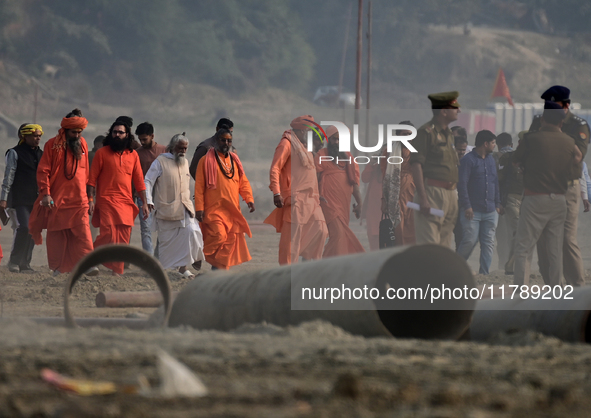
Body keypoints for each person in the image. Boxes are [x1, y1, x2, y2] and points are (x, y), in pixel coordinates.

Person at [513, 101, 582, 286]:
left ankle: (521, 290)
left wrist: (523, 166)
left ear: (542, 119)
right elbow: (577, 157)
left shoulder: (531, 139)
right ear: (561, 122)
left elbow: (516, 158)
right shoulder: (569, 141)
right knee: (555, 249)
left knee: (524, 247)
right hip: (559, 200)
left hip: (535, 198)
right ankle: (556, 290)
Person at [528, 86, 589, 287]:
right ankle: (552, 286)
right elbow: (529, 147)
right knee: (544, 240)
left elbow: (578, 157)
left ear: (566, 106)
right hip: (542, 186)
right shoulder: (538, 121)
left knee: (566, 239)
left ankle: (576, 287)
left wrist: (555, 135)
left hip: (567, 188)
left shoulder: (578, 124)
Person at [27, 110, 99, 276]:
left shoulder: (83, 144)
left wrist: (90, 197)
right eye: (74, 132)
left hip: (79, 200)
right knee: (58, 236)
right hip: (57, 200)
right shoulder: (52, 145)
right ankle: (59, 268)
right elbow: (43, 171)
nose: (77, 135)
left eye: (80, 132)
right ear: (65, 130)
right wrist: (46, 193)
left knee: (83, 233)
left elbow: (87, 173)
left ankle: (88, 264)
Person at [264, 115, 328, 265]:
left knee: (321, 230)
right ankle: (288, 273)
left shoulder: (305, 147)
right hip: (296, 199)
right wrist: (277, 192)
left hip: (312, 200)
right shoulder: (286, 143)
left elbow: (310, 175)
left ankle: (308, 265)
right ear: (300, 131)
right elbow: (275, 168)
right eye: (308, 131)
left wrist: (318, 197)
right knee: (291, 240)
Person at [88, 117, 147, 275]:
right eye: (114, 132)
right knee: (108, 233)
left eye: (121, 132)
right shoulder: (101, 153)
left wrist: (145, 203)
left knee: (123, 237)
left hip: (126, 202)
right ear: (110, 134)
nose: (117, 135)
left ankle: (117, 269)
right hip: (106, 199)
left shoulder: (133, 155)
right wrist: (91, 200)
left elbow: (140, 181)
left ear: (127, 135)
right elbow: (91, 179)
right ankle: (90, 258)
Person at [143, 133, 204, 276]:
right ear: (172, 147)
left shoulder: (185, 162)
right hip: (166, 209)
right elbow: (148, 181)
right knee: (167, 243)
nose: (183, 151)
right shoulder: (160, 162)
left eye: (185, 148)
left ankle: (187, 265)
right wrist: (149, 200)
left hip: (185, 208)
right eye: (180, 148)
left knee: (192, 233)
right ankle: (164, 271)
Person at [194, 126, 255, 270]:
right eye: (223, 140)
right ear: (216, 141)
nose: (226, 144)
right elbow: (199, 187)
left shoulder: (235, 160)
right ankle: (199, 256)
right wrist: (199, 208)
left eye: (229, 141)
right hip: (214, 209)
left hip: (232, 210)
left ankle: (218, 272)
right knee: (219, 235)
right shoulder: (205, 160)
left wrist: (249, 199)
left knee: (230, 242)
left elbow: (243, 182)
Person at [410, 91, 460, 247]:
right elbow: (416, 164)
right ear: (443, 112)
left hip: (451, 193)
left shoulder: (449, 134)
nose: (459, 110)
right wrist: (423, 197)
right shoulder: (425, 133)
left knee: (444, 244)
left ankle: (439, 272)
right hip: (432, 192)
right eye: (455, 107)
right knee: (430, 245)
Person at [315, 124, 364, 257]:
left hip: (344, 204)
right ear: (328, 140)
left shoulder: (350, 159)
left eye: (339, 139)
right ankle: (327, 264)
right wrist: (316, 196)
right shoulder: (322, 154)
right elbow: (314, 179)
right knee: (338, 234)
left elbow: (354, 184)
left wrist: (359, 203)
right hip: (326, 202)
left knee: (339, 236)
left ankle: (334, 264)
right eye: (333, 139)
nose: (336, 142)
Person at [456, 130, 501, 275]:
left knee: (488, 243)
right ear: (485, 143)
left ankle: (484, 274)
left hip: (490, 210)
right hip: (472, 211)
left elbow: (495, 182)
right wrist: (467, 206)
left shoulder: (491, 160)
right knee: (469, 240)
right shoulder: (468, 160)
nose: (495, 145)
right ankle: (455, 268)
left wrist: (498, 204)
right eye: (493, 143)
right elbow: (462, 184)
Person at [0, 124, 43, 273]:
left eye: (39, 136)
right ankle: (14, 261)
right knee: (24, 227)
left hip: (36, 200)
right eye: (34, 136)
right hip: (19, 200)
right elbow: (8, 177)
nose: (37, 139)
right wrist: (3, 199)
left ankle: (25, 264)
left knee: (34, 230)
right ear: (24, 137)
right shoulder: (14, 153)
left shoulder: (41, 154)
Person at [382, 122, 416, 246]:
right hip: (395, 197)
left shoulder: (418, 151)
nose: (407, 137)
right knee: (398, 231)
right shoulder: (389, 152)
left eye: (409, 134)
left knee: (413, 230)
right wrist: (384, 200)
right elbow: (385, 177)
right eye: (404, 134)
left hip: (414, 195)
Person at [135, 122, 166, 255]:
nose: (142, 142)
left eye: (144, 139)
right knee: (146, 228)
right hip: (143, 196)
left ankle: (159, 257)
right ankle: (150, 260)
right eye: (140, 139)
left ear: (152, 136)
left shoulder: (164, 151)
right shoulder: (136, 154)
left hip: (160, 195)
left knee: (163, 228)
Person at [496, 132, 524, 275]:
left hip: (505, 200)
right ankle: (511, 264)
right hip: (513, 200)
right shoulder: (512, 157)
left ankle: (508, 263)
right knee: (516, 233)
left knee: (507, 234)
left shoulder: (502, 157)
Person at [361, 148, 384, 251]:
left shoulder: (394, 167)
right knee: (374, 239)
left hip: (387, 210)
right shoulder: (375, 167)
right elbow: (364, 178)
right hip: (373, 210)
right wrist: (371, 164)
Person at [452, 128, 469, 250]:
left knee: (460, 234)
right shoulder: (445, 161)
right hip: (447, 200)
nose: (461, 152)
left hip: (462, 202)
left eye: (463, 150)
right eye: (459, 150)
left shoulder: (469, 160)